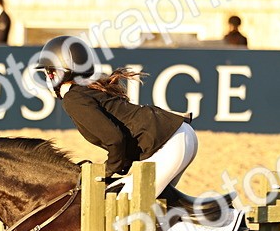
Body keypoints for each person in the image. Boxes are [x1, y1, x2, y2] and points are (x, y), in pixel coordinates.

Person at [32, 35, 197, 199]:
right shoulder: (83, 91)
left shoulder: (73, 99)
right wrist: (118, 167)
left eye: (50, 72)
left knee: (124, 205)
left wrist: (108, 169)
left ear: (64, 72)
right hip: (178, 136)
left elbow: (115, 138)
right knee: (159, 205)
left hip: (170, 142)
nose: (48, 78)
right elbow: (121, 138)